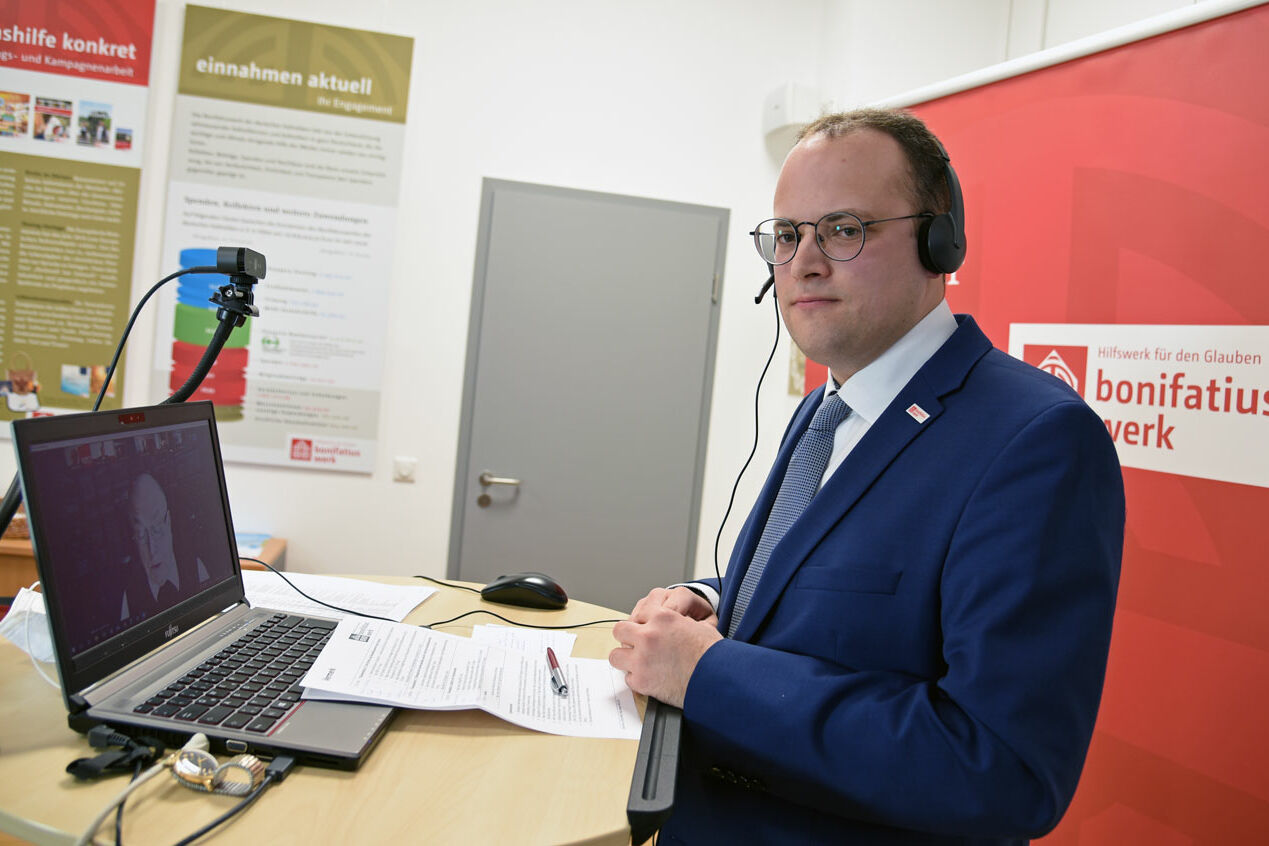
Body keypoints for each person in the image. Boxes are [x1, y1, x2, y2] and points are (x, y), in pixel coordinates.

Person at [608, 108, 1125, 844]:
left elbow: (1003, 772)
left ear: (937, 240)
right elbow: (819, 603)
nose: (804, 262)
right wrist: (706, 602)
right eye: (786, 236)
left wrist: (708, 674)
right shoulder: (825, 407)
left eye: (842, 229)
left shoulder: (1035, 441)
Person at [119, 471, 210, 620]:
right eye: (141, 534)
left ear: (168, 523)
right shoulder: (128, 601)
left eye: (157, 530)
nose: (152, 550)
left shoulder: (197, 567)